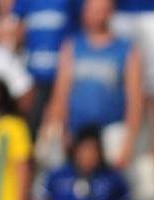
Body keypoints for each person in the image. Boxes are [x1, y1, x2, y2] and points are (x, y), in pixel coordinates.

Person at [44, 0, 143, 169]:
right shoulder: (72, 46)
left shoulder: (126, 50)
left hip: (112, 131)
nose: (97, 15)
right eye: (92, 9)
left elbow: (135, 101)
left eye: (102, 10)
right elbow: (60, 93)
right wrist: (56, 128)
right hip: (77, 130)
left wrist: (129, 143)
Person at [0, 0, 79, 134]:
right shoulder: (25, 3)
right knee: (31, 130)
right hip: (32, 80)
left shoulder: (69, 3)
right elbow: (14, 27)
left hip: (64, 79)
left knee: (59, 132)